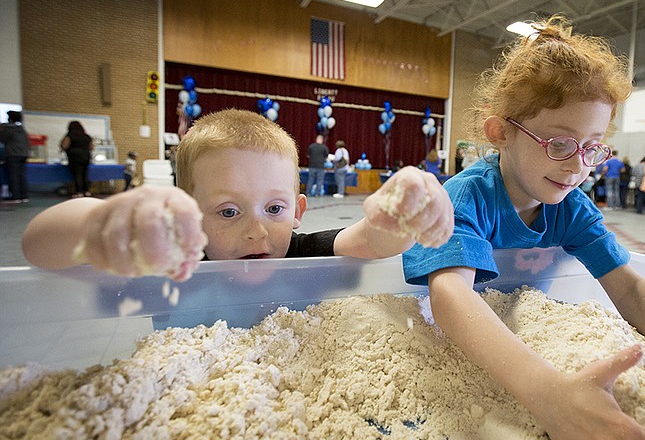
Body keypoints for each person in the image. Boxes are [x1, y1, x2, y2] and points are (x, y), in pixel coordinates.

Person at [401, 16, 645, 440]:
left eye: (592, 147)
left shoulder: (571, 207)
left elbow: (631, 289)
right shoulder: (462, 198)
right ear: (500, 132)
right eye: (560, 143)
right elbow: (452, 294)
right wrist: (551, 397)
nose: (578, 165)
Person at [22, 109, 454, 281]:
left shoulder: (298, 252)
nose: (256, 231)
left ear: (298, 210)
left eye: (274, 208)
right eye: (228, 211)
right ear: (191, 214)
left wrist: (397, 217)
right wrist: (96, 225)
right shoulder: (170, 261)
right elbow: (38, 245)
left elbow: (370, 242)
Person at [0, 110, 30, 204]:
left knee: (14, 176)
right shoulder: (22, 129)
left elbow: (2, 139)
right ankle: (23, 195)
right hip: (23, 154)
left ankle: (15, 196)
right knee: (21, 175)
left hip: (13, 155)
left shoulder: (8, 129)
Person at [61, 120, 94, 198]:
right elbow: (91, 147)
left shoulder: (70, 135)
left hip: (74, 157)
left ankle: (79, 192)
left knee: (77, 174)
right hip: (86, 157)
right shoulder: (87, 136)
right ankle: (86, 191)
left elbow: (64, 145)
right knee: (85, 174)